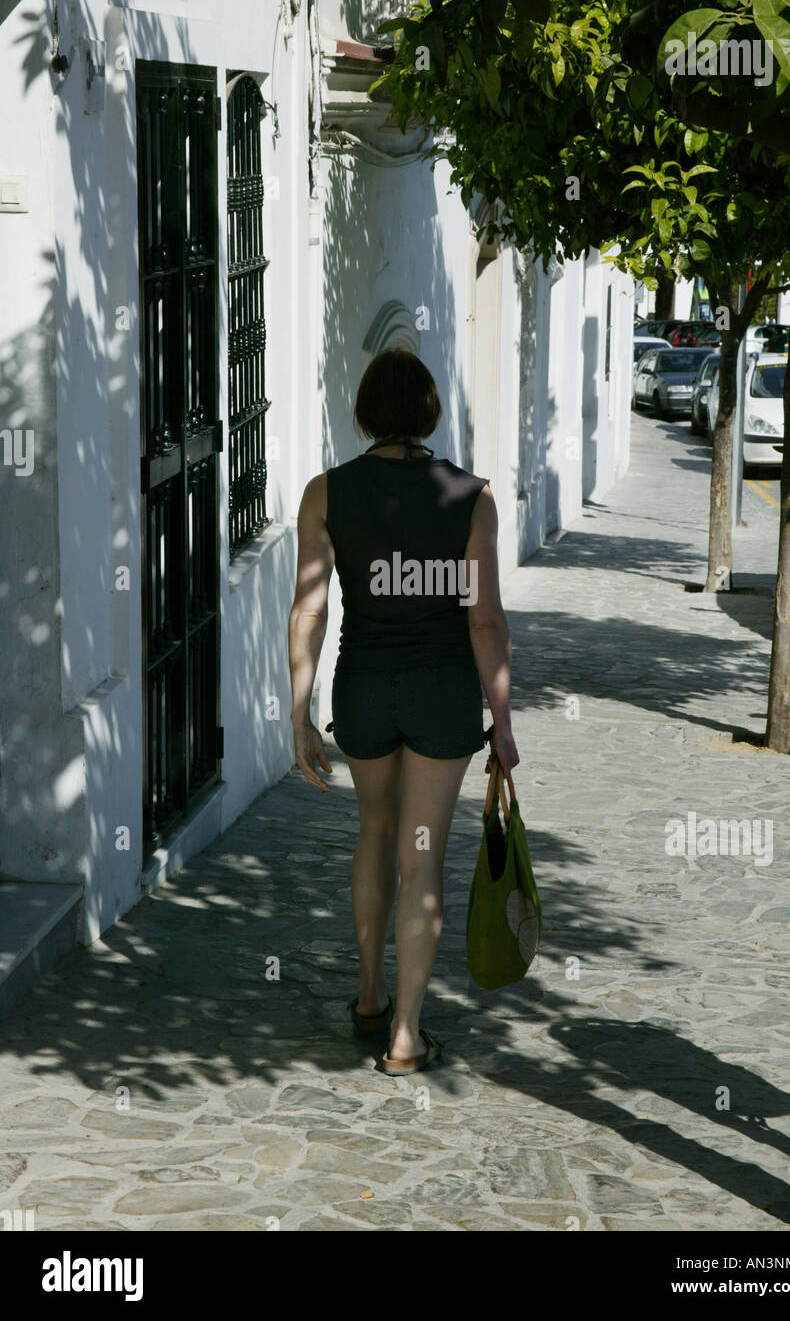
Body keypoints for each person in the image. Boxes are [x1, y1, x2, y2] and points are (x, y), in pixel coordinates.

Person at [287, 347, 518, 1074]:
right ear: (429, 413)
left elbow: (311, 607)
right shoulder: (470, 496)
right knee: (422, 859)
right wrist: (503, 720)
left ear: (363, 414)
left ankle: (367, 994)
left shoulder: (326, 493)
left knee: (372, 835)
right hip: (443, 694)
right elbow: (484, 620)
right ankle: (407, 1036)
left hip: (363, 685)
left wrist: (298, 710)